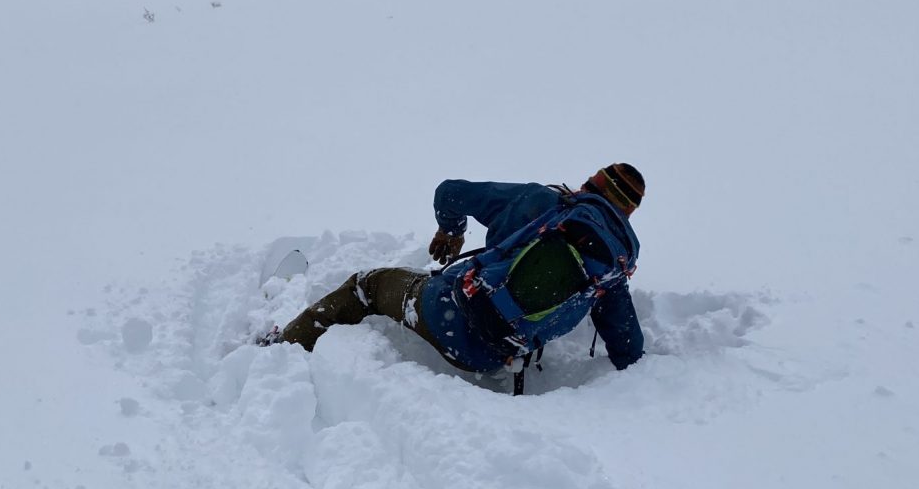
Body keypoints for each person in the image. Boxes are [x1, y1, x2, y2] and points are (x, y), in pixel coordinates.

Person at [269, 164, 646, 387]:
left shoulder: (543, 202)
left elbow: (449, 192)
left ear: (591, 185)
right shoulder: (614, 267)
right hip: (493, 353)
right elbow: (627, 346)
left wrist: (451, 231)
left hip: (447, 310)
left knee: (365, 285)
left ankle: (279, 350)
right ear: (627, 213)